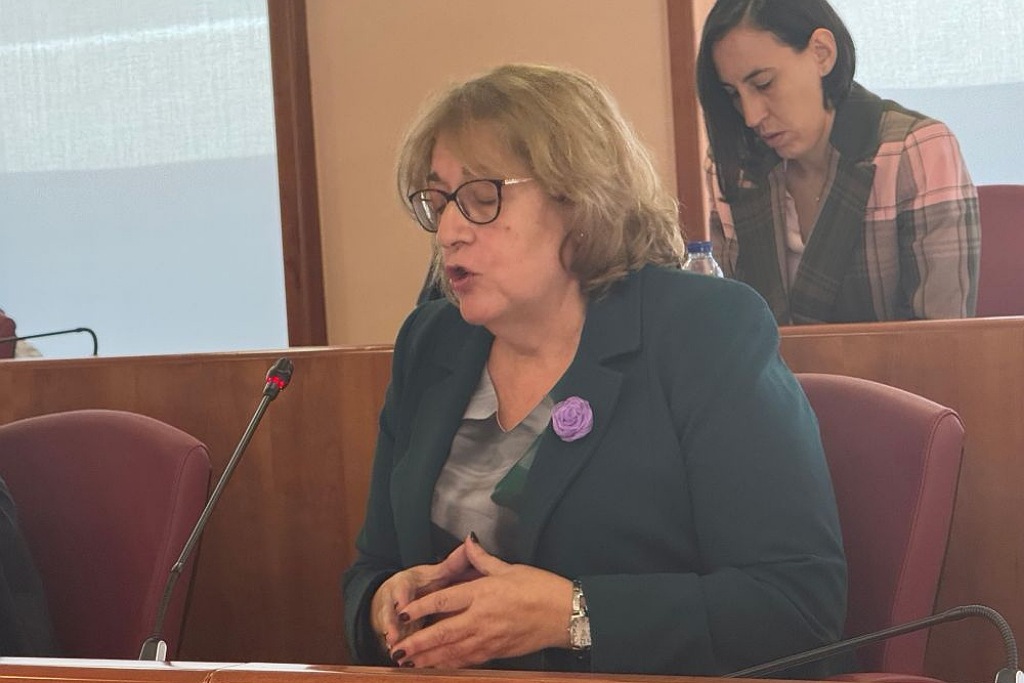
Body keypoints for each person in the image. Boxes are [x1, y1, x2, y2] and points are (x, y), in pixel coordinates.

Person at [343, 63, 848, 676]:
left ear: (578, 199)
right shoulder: (430, 344)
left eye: (480, 199)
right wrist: (384, 605)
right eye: (439, 201)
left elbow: (798, 608)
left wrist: (573, 615)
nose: (449, 231)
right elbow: (370, 569)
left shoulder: (702, 332)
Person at [696, 0, 981, 325]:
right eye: (733, 94)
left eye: (764, 84)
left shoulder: (915, 150)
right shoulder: (735, 166)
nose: (751, 116)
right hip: (769, 362)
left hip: (893, 363)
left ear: (822, 53)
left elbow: (941, 339)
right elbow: (731, 326)